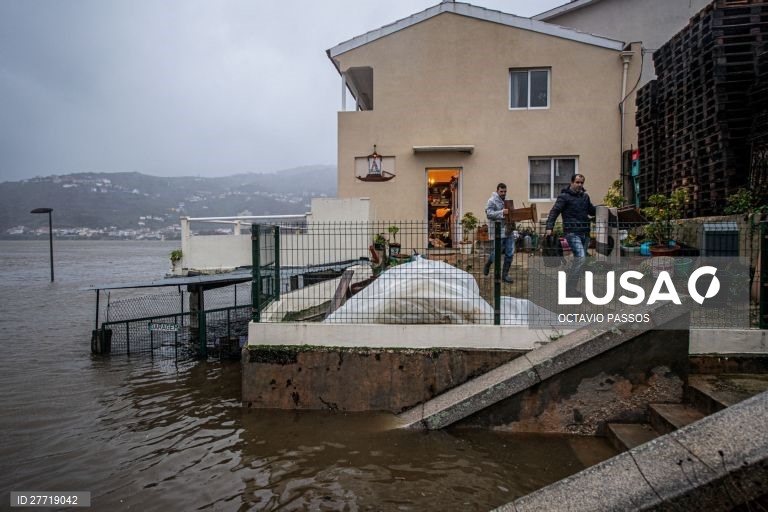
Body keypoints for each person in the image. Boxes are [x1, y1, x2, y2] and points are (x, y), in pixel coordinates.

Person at [545, 173, 596, 295]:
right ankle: (568, 289)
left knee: (580, 260)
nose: (579, 185)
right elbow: (554, 211)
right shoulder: (564, 197)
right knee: (581, 258)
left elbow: (591, 210)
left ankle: (571, 288)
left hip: (585, 232)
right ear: (572, 182)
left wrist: (604, 210)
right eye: (577, 182)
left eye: (581, 183)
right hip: (572, 232)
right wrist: (549, 227)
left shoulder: (585, 197)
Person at [483, 183, 514, 283]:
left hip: (509, 231)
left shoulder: (508, 200)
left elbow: (512, 213)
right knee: (496, 253)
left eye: (505, 191)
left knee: (510, 253)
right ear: (497, 191)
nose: (503, 193)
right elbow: (489, 214)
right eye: (501, 191)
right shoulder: (491, 201)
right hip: (497, 231)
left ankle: (504, 276)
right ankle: (488, 263)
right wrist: (501, 212)